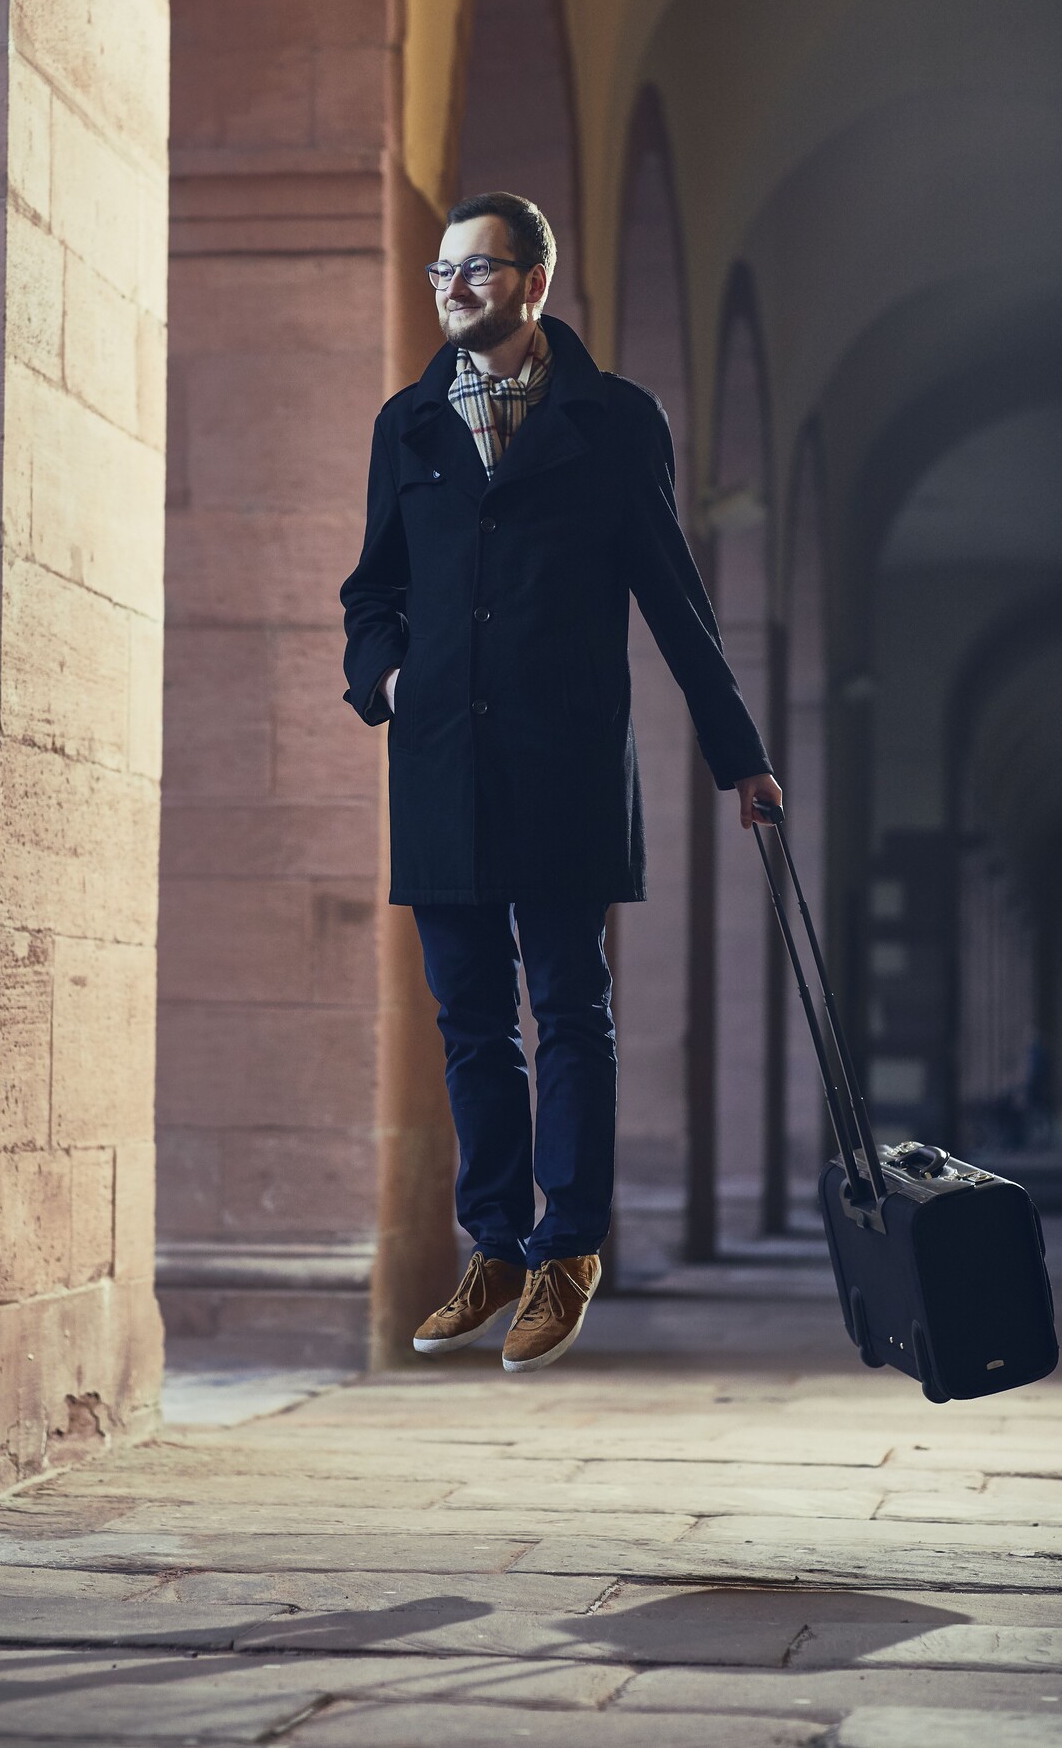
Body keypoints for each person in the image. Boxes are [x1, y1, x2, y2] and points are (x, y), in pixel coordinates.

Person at [339, 191, 782, 1374]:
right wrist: (379, 677)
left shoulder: (613, 420)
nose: (449, 291)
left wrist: (738, 755)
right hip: (440, 762)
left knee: (570, 1009)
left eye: (473, 272)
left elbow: (673, 597)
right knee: (472, 1024)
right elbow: (370, 587)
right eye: (439, 274)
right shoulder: (409, 422)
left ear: (533, 280)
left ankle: (567, 1248)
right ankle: (489, 1245)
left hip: (564, 760)